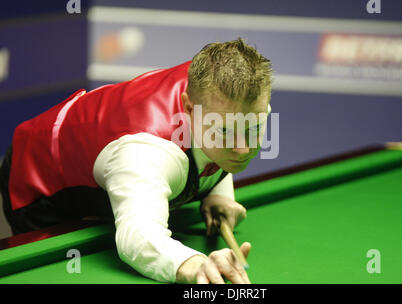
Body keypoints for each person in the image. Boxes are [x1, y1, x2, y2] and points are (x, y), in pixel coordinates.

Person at [0, 38, 272, 284]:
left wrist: (217, 192)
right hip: (40, 179)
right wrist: (196, 265)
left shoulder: (224, 88)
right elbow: (138, 238)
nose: (243, 148)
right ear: (189, 108)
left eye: (254, 126)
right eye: (223, 131)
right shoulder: (144, 152)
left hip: (112, 159)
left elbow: (229, 131)